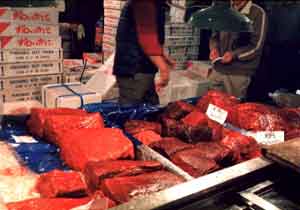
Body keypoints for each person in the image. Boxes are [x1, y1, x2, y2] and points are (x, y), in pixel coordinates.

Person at [113, 0, 175, 105]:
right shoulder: (144, 2)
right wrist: (164, 69)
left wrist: (162, 55)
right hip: (134, 69)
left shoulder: (154, 4)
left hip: (141, 67)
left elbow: (149, 34)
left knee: (151, 109)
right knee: (131, 114)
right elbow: (148, 39)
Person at [208, 0, 267, 98]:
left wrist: (234, 55)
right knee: (212, 105)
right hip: (217, 69)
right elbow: (214, 36)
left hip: (238, 73)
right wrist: (214, 48)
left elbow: (256, 46)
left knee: (232, 108)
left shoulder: (258, 13)